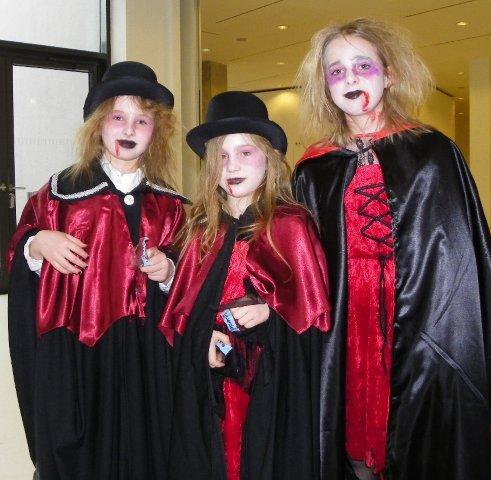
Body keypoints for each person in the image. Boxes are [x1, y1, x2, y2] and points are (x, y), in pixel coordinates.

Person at [293, 18, 491, 480]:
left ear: (389, 74)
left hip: (421, 329)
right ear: (325, 87)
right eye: (336, 71)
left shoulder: (433, 154)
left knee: (423, 440)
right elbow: (303, 268)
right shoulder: (314, 169)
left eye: (362, 66)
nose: (349, 78)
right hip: (346, 333)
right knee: (348, 442)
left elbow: (458, 262)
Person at [7, 61, 187, 480]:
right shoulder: (59, 193)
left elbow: (194, 280)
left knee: (147, 450)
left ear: (156, 132)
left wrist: (170, 270)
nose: (129, 129)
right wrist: (39, 242)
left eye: (142, 121)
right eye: (118, 117)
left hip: (147, 355)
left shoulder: (172, 206)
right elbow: (18, 251)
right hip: (76, 351)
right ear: (98, 125)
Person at [158, 91, 331, 479]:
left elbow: (313, 320)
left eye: (245, 152)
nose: (231, 165)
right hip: (213, 389)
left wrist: (271, 312)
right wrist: (203, 338)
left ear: (269, 159)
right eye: (221, 156)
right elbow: (183, 315)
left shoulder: (291, 226)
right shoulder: (203, 231)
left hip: (268, 388)